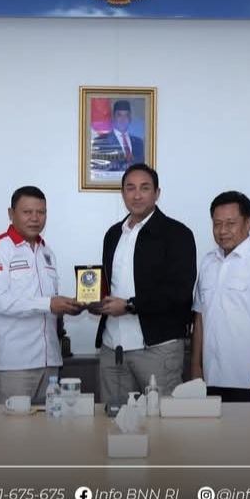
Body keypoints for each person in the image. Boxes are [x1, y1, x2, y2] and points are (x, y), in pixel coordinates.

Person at [92, 163, 197, 405]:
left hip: (158, 349)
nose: (137, 195)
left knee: (162, 422)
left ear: (157, 193)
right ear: (122, 194)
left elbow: (180, 293)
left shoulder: (177, 234)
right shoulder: (113, 234)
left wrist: (130, 305)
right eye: (130, 188)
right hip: (113, 349)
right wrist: (95, 302)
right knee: (114, 421)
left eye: (145, 188)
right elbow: (110, 285)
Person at [0, 186, 82, 403]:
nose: (35, 218)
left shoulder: (46, 252)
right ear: (11, 214)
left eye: (41, 212)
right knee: (14, 425)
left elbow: (48, 302)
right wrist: (49, 304)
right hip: (13, 364)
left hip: (49, 361)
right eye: (27, 212)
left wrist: (68, 306)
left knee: (48, 424)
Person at [192, 191, 250, 402]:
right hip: (211, 378)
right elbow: (199, 319)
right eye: (217, 224)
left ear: (248, 223)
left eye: (230, 223)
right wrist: (196, 368)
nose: (222, 231)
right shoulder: (208, 262)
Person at [90, 100, 144, 171]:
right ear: (113, 118)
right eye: (119, 115)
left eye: (126, 115)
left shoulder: (139, 143)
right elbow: (96, 169)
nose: (123, 119)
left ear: (130, 119)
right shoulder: (100, 142)